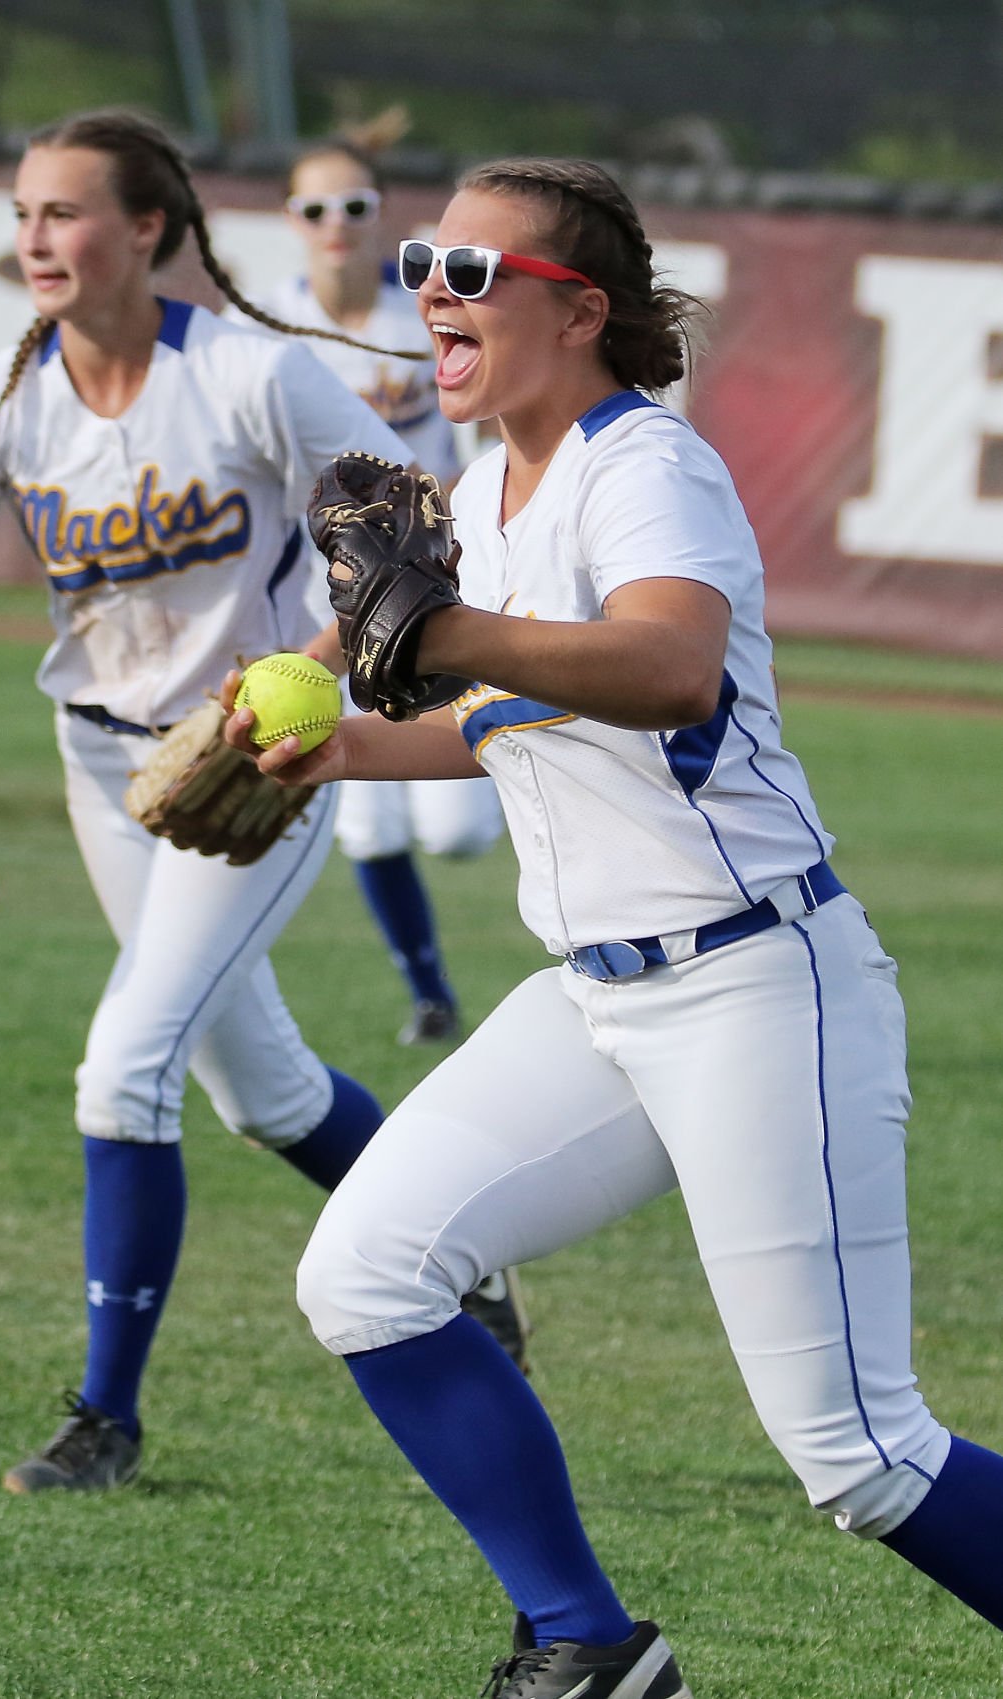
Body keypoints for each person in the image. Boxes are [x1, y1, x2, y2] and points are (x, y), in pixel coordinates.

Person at [227, 156, 1003, 1696]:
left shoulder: (640, 462)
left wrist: (438, 632)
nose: (432, 292)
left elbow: (666, 672)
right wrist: (345, 744)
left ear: (576, 311)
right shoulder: (490, 498)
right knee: (366, 1272)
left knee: (856, 1451)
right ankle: (588, 1646)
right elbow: (513, 714)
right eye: (425, 264)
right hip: (594, 1002)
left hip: (752, 982)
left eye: (472, 272)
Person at [0, 107, 528, 1499]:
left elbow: (404, 521)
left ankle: (104, 1416)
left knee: (126, 1063)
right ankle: (468, 1264)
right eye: (23, 215)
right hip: (104, 764)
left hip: (261, 752)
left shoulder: (244, 372)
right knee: (262, 1086)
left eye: (66, 212)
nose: (37, 238)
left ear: (148, 230)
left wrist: (311, 666)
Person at [251, 120, 505, 1049]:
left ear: (380, 215)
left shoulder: (424, 319)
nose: (335, 223)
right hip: (324, 604)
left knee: (460, 833)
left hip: (431, 594)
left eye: (354, 205)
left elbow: (480, 452)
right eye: (314, 206)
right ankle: (431, 995)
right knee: (369, 827)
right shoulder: (264, 327)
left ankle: (542, 768)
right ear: (290, 217)